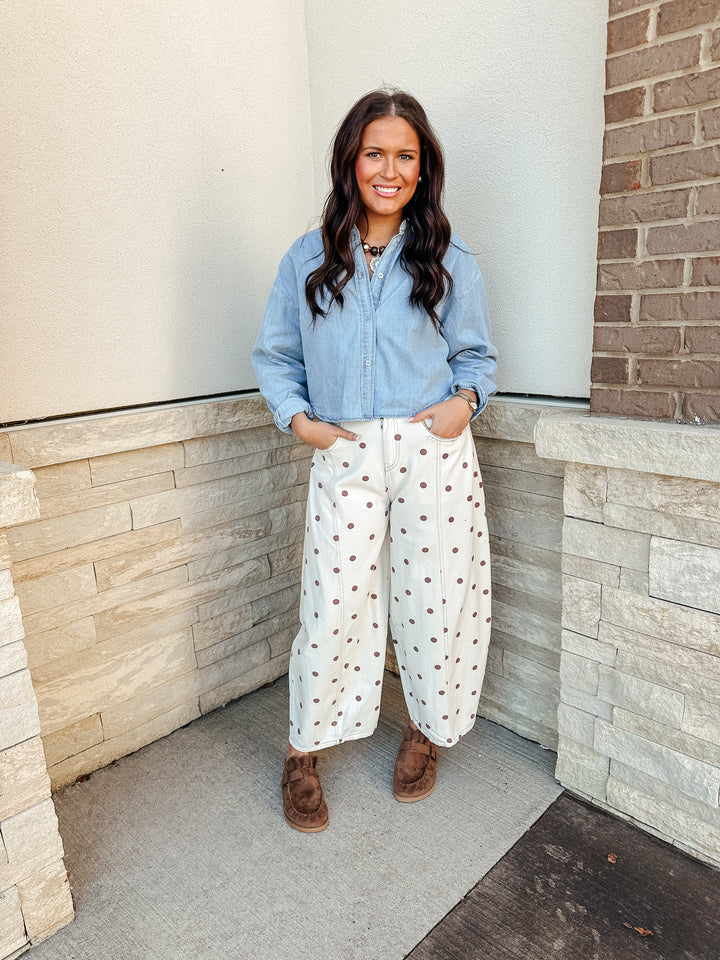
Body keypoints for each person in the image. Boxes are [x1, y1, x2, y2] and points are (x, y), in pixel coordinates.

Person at [252, 89, 497, 833]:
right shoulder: (308, 257)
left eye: (405, 156)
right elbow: (276, 354)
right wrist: (303, 424)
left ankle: (424, 731)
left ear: (422, 171)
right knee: (333, 605)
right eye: (374, 153)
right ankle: (303, 752)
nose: (388, 169)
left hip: (433, 450)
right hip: (347, 449)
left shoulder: (450, 260)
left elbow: (478, 359)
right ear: (351, 161)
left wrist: (464, 406)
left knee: (434, 602)